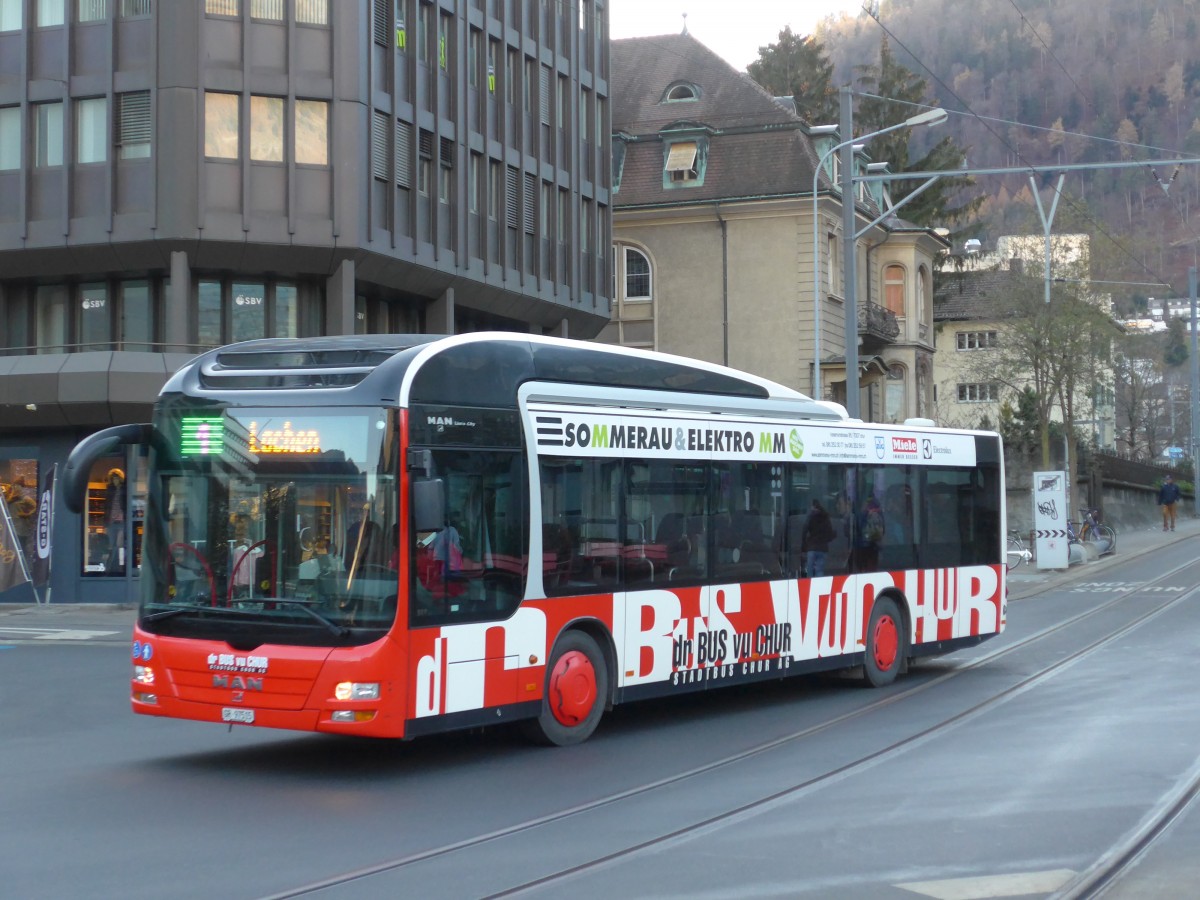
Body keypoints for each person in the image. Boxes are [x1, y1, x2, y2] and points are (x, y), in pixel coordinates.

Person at [800, 499, 835, 577]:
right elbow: (830, 533)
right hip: (823, 548)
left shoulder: (810, 517)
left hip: (812, 548)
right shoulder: (826, 517)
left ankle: (810, 587)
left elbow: (804, 531)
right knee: (820, 570)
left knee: (810, 571)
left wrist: (803, 547)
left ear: (813, 506)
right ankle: (819, 587)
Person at [104, 468, 127, 574]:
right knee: (112, 545)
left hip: (121, 521)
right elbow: (107, 506)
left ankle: (115, 567)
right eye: (113, 479)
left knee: (119, 545)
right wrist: (105, 523)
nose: (115, 480)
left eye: (117, 478)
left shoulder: (125, 489)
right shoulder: (110, 489)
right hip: (112, 521)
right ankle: (112, 568)